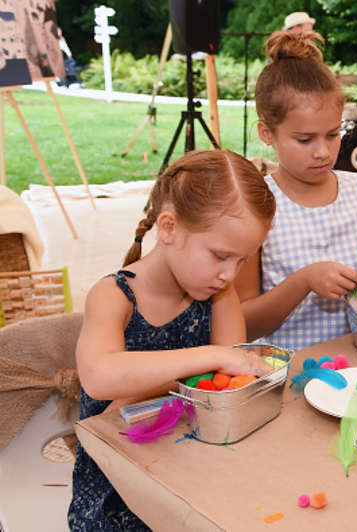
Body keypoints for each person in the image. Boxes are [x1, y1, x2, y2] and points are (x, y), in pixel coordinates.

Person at [68, 150, 277, 529]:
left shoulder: (220, 296)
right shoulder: (113, 296)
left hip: (195, 469)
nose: (230, 274)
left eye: (243, 260)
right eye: (219, 255)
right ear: (168, 228)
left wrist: (218, 364)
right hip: (118, 490)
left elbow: (226, 392)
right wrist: (212, 356)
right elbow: (99, 376)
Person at [235, 31, 357, 351]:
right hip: (293, 375)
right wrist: (303, 282)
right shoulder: (256, 206)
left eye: (332, 134)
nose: (323, 152)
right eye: (305, 139)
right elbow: (242, 324)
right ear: (266, 133)